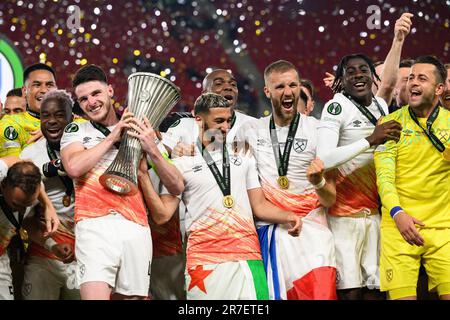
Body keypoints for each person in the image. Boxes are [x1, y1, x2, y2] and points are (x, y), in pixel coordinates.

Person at [138, 93, 301, 299]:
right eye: (219, 121)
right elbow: (162, 214)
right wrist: (143, 175)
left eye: (228, 120)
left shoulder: (243, 155)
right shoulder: (181, 164)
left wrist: (289, 215)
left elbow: (258, 206)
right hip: (204, 262)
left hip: (247, 257)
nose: (225, 126)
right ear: (198, 119)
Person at [60, 64, 183, 300]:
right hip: (94, 225)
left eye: (96, 93)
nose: (91, 102)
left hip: (136, 226)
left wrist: (152, 149)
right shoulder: (77, 130)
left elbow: (177, 185)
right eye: (83, 99)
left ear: (110, 91)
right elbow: (74, 167)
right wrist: (115, 134)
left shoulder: (141, 130)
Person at [316, 13, 412, 300]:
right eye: (350, 72)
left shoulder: (380, 104)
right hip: (344, 216)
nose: (358, 75)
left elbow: (390, 81)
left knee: (376, 290)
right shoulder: (336, 108)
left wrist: (398, 39)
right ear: (341, 81)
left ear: (373, 75)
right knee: (351, 292)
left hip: (376, 215)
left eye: (363, 70)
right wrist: (370, 140)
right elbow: (325, 158)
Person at [239, 60, 337, 300]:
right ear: (267, 91)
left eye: (293, 85)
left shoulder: (319, 130)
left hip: (314, 235)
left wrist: (319, 183)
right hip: (274, 235)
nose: (288, 92)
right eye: (280, 86)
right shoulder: (250, 132)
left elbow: (330, 198)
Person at [374, 56, 450, 300]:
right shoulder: (389, 124)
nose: (412, 83)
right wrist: (398, 213)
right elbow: (384, 177)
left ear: (439, 89)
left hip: (443, 229)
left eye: (422, 78)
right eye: (411, 78)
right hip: (399, 226)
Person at [19, 90, 79, 300]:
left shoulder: (89, 149)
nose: (52, 121)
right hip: (45, 253)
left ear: (72, 118)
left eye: (60, 115)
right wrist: (52, 246)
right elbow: (24, 218)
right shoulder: (29, 155)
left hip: (86, 255)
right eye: (46, 116)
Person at [162, 68, 255, 157]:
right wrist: (174, 152)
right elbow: (163, 149)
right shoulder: (184, 124)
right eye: (218, 84)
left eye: (233, 84)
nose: (228, 87)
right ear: (205, 94)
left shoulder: (253, 125)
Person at [0, 162, 42, 300]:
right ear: (3, 184)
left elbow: (26, 222)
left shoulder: (33, 191)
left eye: (27, 205)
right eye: (16, 204)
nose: (22, 210)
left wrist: (47, 205)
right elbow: (13, 158)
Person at [0, 63, 57, 157]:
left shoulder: (72, 121)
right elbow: (12, 167)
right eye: (37, 85)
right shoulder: (10, 123)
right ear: (24, 91)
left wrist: (62, 129)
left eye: (49, 85)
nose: (44, 90)